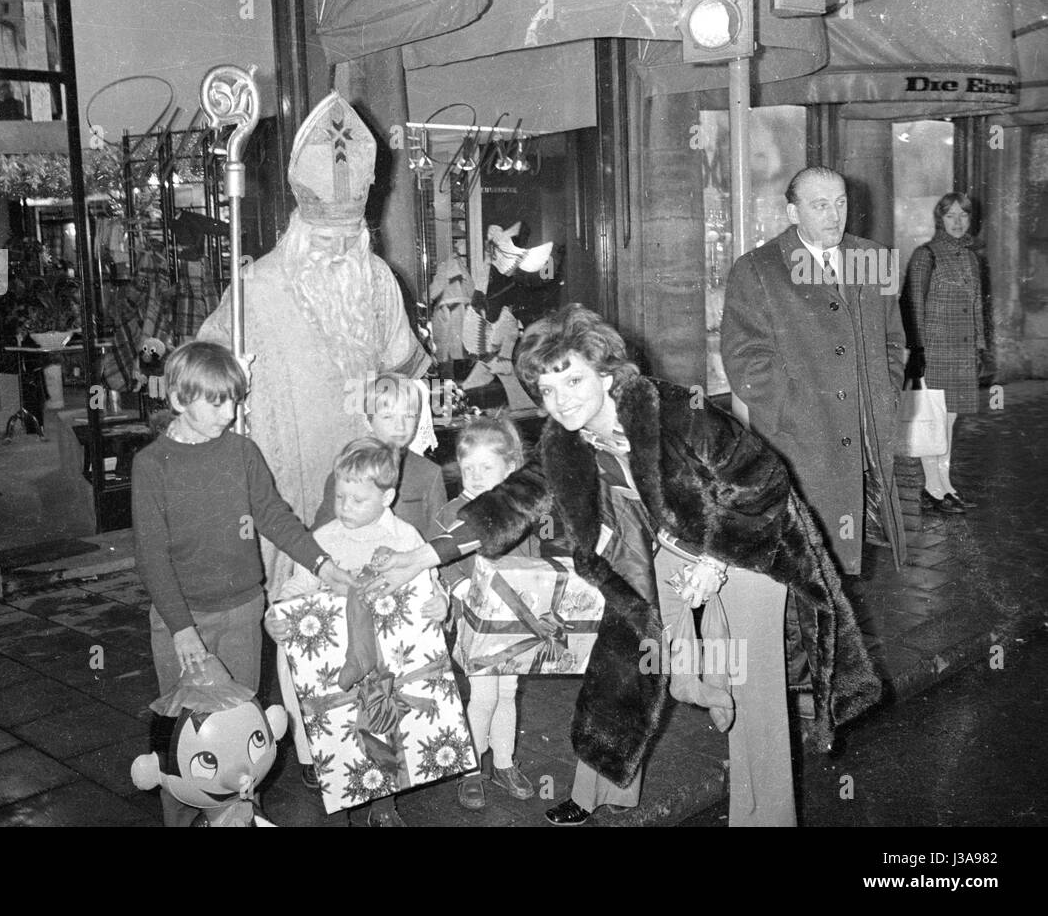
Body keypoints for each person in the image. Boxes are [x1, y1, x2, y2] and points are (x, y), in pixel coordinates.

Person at [370, 304, 882, 827]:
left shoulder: (674, 410)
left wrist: (712, 558)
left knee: (755, 688)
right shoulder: (565, 440)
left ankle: (764, 817)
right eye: (547, 389)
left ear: (607, 373)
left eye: (572, 380)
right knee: (622, 662)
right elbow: (509, 503)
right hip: (663, 548)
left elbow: (765, 480)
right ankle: (606, 785)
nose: (560, 399)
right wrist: (419, 557)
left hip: (751, 545)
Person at [199, 91, 431, 599]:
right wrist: (229, 375)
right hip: (287, 467)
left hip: (362, 463)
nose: (339, 250)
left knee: (372, 595)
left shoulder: (376, 279)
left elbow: (403, 374)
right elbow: (205, 373)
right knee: (299, 603)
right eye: (326, 239)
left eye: (350, 238)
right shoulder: (254, 288)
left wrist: (404, 438)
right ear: (299, 227)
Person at [130, 340, 353, 827]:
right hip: (182, 621)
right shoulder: (152, 466)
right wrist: (181, 628)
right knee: (183, 735)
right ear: (178, 400)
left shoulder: (241, 452)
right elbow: (152, 556)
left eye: (234, 399)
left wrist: (322, 564)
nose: (229, 412)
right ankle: (182, 820)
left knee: (239, 732)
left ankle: (237, 819)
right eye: (216, 401)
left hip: (243, 610)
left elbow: (274, 515)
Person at [721, 166, 907, 579]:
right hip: (800, 443)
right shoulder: (759, 269)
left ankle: (835, 637)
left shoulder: (872, 259)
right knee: (801, 562)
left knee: (848, 558)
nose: (833, 215)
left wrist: (886, 393)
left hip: (862, 439)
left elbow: (894, 340)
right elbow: (745, 358)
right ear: (793, 212)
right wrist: (794, 410)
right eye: (819, 205)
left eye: (840, 203)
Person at [268, 438, 447, 827]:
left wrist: (440, 605)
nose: (345, 508)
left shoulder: (405, 538)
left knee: (385, 724)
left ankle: (384, 806)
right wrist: (277, 615)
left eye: (357, 500)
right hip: (335, 663)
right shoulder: (322, 540)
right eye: (340, 496)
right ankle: (337, 795)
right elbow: (295, 590)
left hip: (387, 659)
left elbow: (431, 587)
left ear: (387, 497)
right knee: (337, 734)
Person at [436, 415, 538, 811]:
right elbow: (446, 562)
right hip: (475, 620)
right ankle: (472, 770)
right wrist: (464, 591)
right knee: (482, 695)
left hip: (512, 620)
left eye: (486, 468)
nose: (475, 476)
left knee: (508, 692)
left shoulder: (518, 510)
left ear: (510, 469)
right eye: (467, 469)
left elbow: (530, 562)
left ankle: (505, 762)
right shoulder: (453, 512)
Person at [902, 192, 987, 514]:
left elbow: (977, 306)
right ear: (940, 219)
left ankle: (944, 484)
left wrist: (979, 349)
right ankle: (934, 489)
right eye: (950, 216)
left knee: (948, 422)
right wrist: (918, 352)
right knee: (933, 423)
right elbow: (913, 305)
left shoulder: (970, 257)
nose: (957, 222)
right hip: (936, 352)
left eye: (963, 216)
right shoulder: (927, 255)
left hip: (963, 353)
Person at [312, 372, 445, 536]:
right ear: (368, 421)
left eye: (409, 416)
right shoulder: (349, 469)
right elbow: (321, 535)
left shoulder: (429, 473)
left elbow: (440, 542)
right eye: (388, 416)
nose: (400, 426)